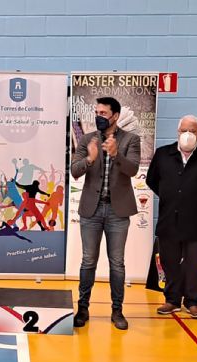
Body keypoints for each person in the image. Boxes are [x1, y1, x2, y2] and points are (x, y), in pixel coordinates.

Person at [70, 97, 141, 330]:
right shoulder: (87, 139)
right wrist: (90, 159)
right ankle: (82, 308)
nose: (99, 116)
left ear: (115, 116)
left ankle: (117, 311)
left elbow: (132, 169)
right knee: (88, 260)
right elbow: (75, 171)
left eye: (103, 112)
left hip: (118, 212)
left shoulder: (131, 139)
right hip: (91, 210)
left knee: (117, 263)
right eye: (96, 112)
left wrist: (115, 155)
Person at [147, 115, 197, 319]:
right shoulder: (163, 154)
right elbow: (152, 180)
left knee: (194, 264)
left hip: (195, 221)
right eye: (184, 130)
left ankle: (193, 302)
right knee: (169, 261)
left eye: (193, 131)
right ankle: (172, 300)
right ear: (178, 132)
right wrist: (170, 196)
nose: (188, 134)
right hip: (168, 219)